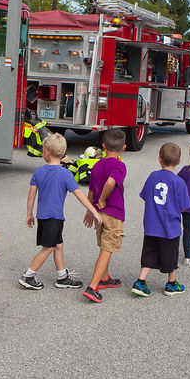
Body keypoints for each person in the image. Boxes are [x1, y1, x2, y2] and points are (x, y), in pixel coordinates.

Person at [19, 133, 100, 290]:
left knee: (58, 244)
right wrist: (94, 211)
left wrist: (29, 214)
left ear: (47, 153)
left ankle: (62, 276)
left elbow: (31, 195)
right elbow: (80, 195)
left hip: (43, 216)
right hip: (54, 217)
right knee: (48, 247)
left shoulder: (39, 172)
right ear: (62, 153)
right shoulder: (66, 174)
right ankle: (28, 275)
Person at [132, 143, 190, 297]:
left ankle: (140, 281)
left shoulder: (153, 176)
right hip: (170, 228)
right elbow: (183, 207)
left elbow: (145, 197)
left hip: (151, 225)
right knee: (170, 256)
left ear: (159, 159)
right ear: (178, 161)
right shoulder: (179, 182)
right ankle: (171, 284)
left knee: (149, 253)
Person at [82, 128, 127, 303]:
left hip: (98, 214)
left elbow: (91, 189)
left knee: (104, 245)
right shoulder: (119, 165)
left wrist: (90, 209)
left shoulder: (97, 165)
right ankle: (93, 286)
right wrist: (103, 199)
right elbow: (111, 182)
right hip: (113, 212)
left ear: (103, 146)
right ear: (123, 147)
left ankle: (104, 277)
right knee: (108, 249)